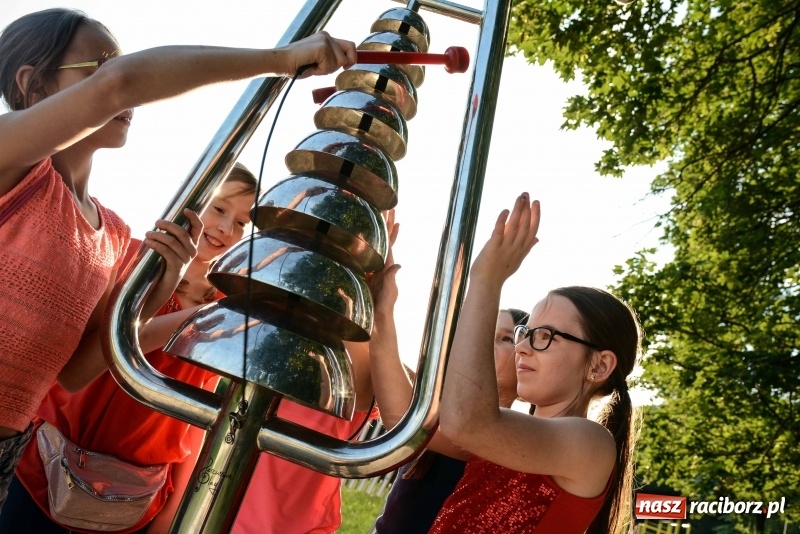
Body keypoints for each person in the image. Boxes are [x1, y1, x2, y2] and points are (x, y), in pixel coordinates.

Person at [0, 6, 356, 513]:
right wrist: (280, 59)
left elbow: (74, 372)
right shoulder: (14, 163)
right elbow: (120, 84)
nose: (118, 81)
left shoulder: (112, 233)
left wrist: (156, 293)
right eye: (96, 66)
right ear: (32, 84)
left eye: (116, 64)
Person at [2, 164, 258, 533]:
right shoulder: (129, 258)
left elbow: (198, 416)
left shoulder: (226, 308)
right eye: (219, 209)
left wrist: (172, 512)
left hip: (132, 499)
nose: (226, 228)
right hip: (45, 466)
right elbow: (84, 359)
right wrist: (199, 316)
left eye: (241, 223)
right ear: (194, 198)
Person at [370, 195, 641, 534]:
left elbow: (468, 421)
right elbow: (403, 418)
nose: (522, 348)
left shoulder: (590, 443)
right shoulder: (502, 437)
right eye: (524, 334)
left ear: (599, 366)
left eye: (544, 336)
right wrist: (381, 313)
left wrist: (487, 278)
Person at [372, 308, 530, 534]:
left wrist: (382, 316)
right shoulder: (441, 406)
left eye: (505, 338)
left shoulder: (504, 436)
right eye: (482, 335)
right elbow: (401, 380)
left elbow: (401, 412)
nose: (485, 344)